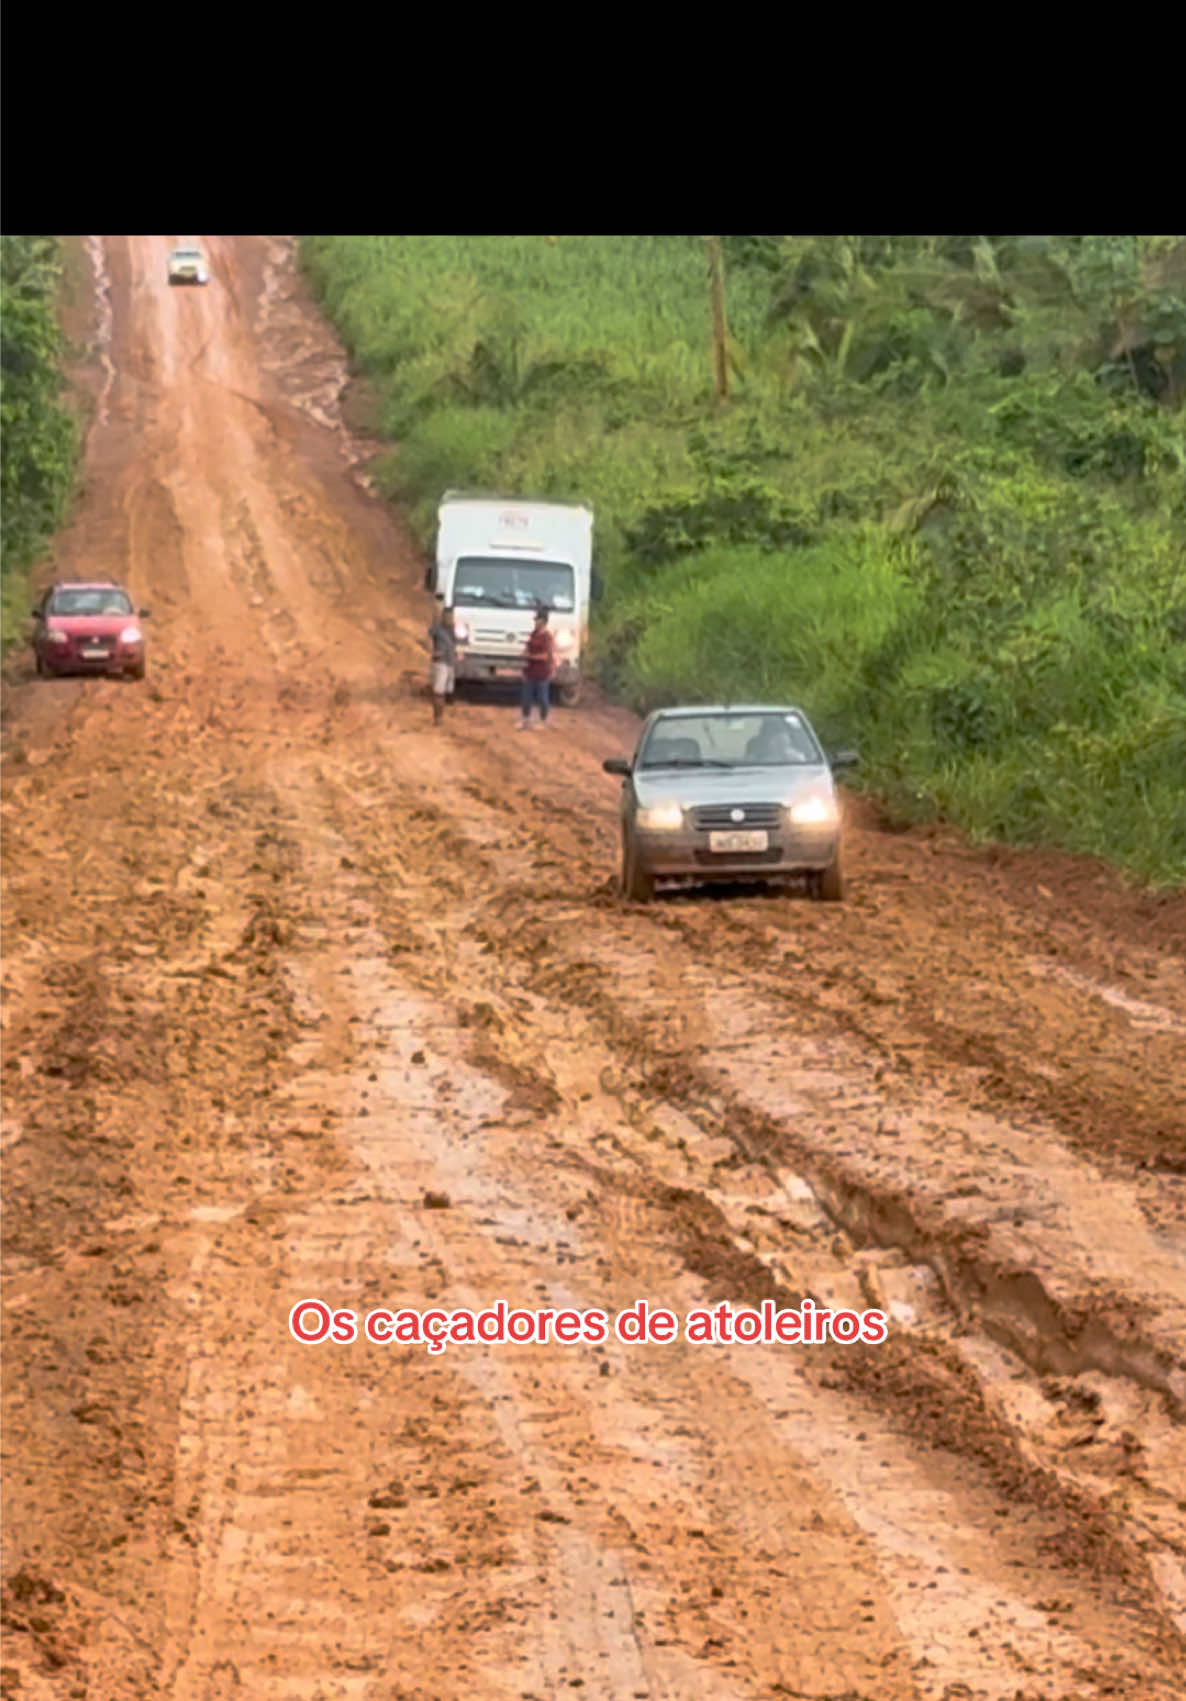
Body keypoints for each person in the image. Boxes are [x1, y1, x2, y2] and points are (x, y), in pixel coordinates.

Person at [519, 606, 556, 730]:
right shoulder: (534, 634)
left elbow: (545, 656)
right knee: (526, 697)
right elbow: (528, 647)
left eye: (537, 620)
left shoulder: (547, 637)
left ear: (543, 621)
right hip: (530, 670)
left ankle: (543, 720)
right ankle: (526, 720)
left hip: (542, 672)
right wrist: (525, 654)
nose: (535, 622)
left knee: (543, 699)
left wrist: (529, 655)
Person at [426, 603, 458, 726]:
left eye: (451, 616)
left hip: (450, 664)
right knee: (438, 692)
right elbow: (428, 637)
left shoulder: (455, 630)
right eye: (447, 616)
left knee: (446, 692)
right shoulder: (437, 629)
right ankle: (437, 717)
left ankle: (439, 716)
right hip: (440, 663)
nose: (449, 618)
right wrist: (433, 651)